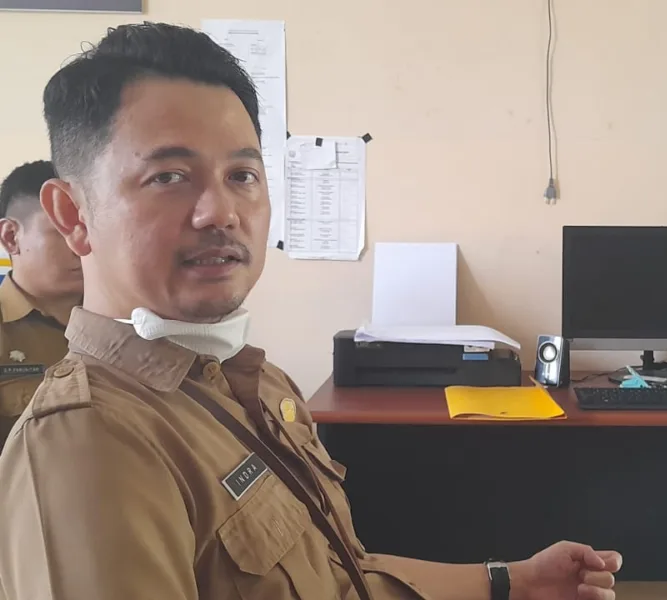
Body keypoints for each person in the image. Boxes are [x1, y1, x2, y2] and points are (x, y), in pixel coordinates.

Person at [0, 23, 621, 600]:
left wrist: (511, 581)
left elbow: (340, 573)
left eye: (243, 174)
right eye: (168, 176)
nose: (221, 212)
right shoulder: (85, 443)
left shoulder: (255, 380)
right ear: (72, 215)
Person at [0, 160, 83, 448]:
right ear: (11, 237)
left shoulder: (132, 322)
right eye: (63, 230)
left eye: (92, 228)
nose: (83, 244)